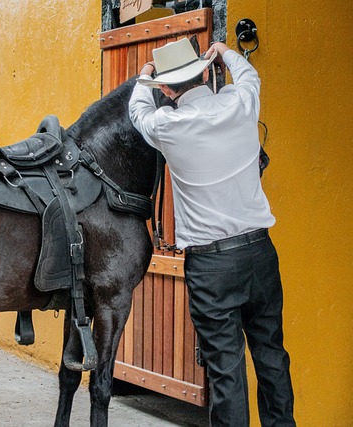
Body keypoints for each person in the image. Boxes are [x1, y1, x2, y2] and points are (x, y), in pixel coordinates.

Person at [128, 38, 295, 426]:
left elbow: (138, 111)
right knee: (271, 354)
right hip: (259, 252)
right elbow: (249, 76)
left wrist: (144, 76)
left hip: (210, 266)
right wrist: (224, 51)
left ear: (166, 91)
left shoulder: (166, 124)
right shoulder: (241, 102)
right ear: (205, 73)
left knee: (225, 368)